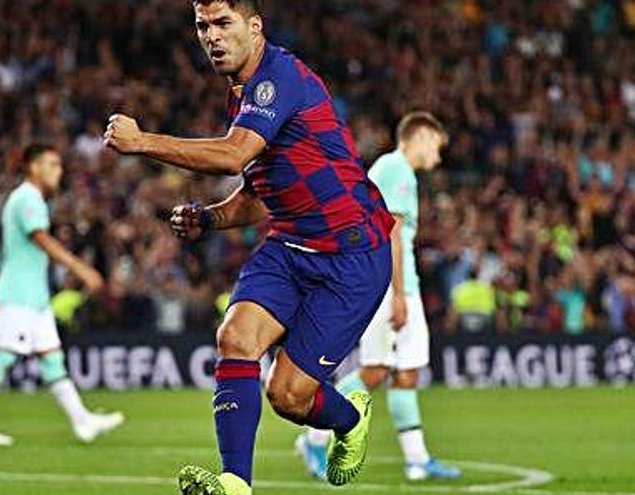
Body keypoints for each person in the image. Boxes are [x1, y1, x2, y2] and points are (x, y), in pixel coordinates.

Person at [104, 1, 394, 493]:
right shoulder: (243, 94)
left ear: (254, 27)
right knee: (234, 339)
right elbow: (264, 192)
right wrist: (212, 218)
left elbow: (234, 155)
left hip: (351, 254)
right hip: (289, 244)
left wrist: (142, 142)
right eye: (202, 26)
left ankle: (348, 419)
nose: (211, 36)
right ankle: (236, 484)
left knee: (288, 396)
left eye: (223, 23)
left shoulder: (276, 79)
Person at [295, 112, 462, 482]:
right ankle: (315, 438)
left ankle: (417, 460)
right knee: (375, 370)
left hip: (400, 284)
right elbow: (391, 235)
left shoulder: (395, 171)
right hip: (387, 284)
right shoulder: (395, 168)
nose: (438, 157)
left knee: (405, 373)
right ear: (419, 137)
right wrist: (398, 294)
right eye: (436, 146)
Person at [0, 144, 124, 446]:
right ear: (34, 167)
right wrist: (81, 269)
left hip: (33, 296)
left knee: (52, 360)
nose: (58, 170)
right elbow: (41, 239)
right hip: (20, 294)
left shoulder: (28, 199)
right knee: (1, 356)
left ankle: (82, 421)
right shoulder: (27, 198)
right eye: (52, 164)